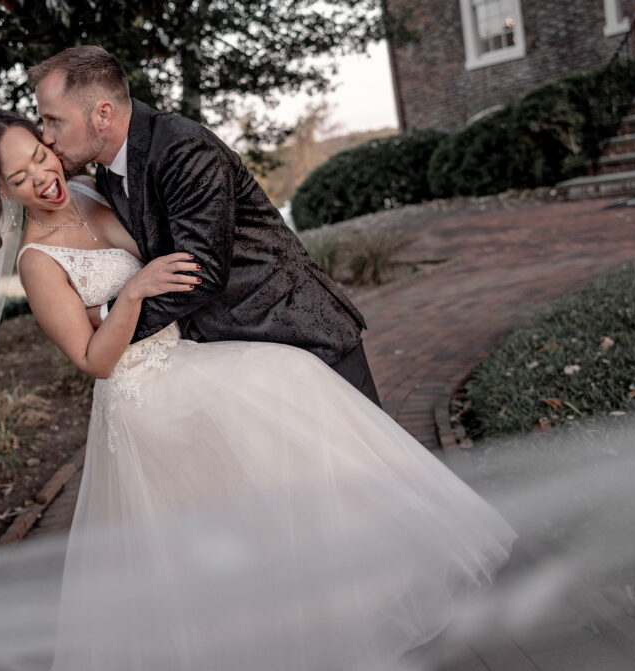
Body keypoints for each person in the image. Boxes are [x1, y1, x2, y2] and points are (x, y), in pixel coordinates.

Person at [0, 108, 516, 671]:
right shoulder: (38, 263)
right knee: (250, 472)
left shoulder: (92, 189)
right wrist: (132, 295)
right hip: (147, 396)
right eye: (19, 178)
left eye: (40, 155)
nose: (41, 176)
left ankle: (349, 607)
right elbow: (93, 360)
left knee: (278, 478)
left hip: (189, 356)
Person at [29, 45, 382, 406]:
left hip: (297, 334)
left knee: (372, 459)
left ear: (102, 113)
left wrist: (107, 315)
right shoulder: (106, 176)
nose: (46, 137)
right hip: (240, 361)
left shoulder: (183, 149)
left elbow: (201, 272)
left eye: (54, 120)